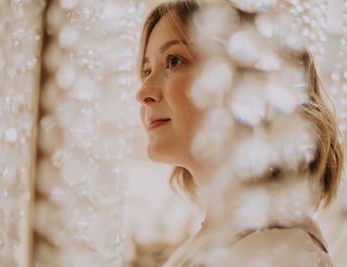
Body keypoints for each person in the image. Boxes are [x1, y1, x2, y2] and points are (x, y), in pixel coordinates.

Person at [135, 0, 344, 266]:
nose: (142, 93)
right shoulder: (229, 238)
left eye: (173, 61)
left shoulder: (275, 249)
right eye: (146, 71)